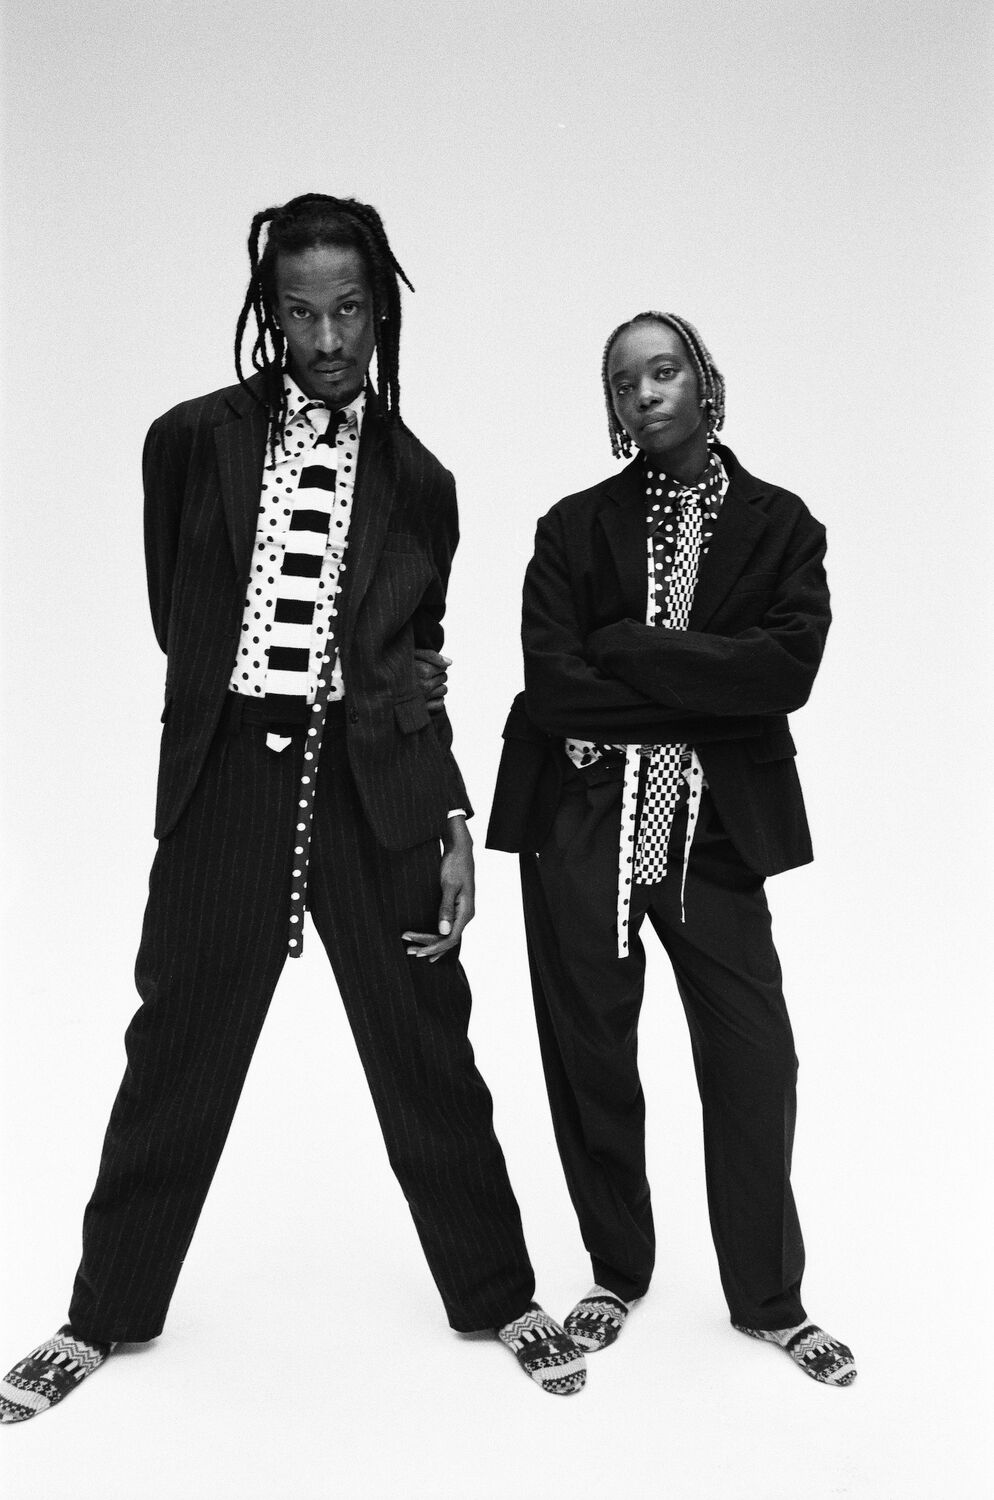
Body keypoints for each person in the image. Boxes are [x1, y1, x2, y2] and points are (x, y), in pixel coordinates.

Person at [0, 194, 587, 1423]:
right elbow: (176, 613)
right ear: (269, 314)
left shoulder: (422, 483)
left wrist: (450, 821)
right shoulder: (189, 440)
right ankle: (102, 1314)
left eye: (349, 309)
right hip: (229, 780)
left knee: (426, 1041)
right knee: (176, 1044)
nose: (327, 338)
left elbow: (417, 668)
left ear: (382, 313)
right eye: (302, 311)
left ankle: (497, 1294)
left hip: (375, 783)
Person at [486, 310, 856, 1387]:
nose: (644, 393)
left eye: (663, 371)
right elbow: (555, 691)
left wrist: (628, 648)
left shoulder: (783, 527)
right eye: (623, 382)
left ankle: (770, 1302)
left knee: (755, 1058)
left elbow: (784, 674)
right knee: (591, 1057)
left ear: (704, 381)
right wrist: (708, 687)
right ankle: (616, 1272)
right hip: (578, 823)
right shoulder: (572, 528)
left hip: (715, 832)